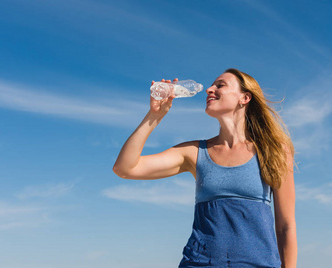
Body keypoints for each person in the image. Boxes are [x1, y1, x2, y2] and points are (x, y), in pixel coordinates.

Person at [113, 69, 297, 268]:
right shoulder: (194, 152)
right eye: (212, 85)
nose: (209, 89)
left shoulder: (273, 151)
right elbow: (125, 168)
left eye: (220, 85)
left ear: (244, 98)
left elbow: (286, 226)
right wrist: (154, 116)